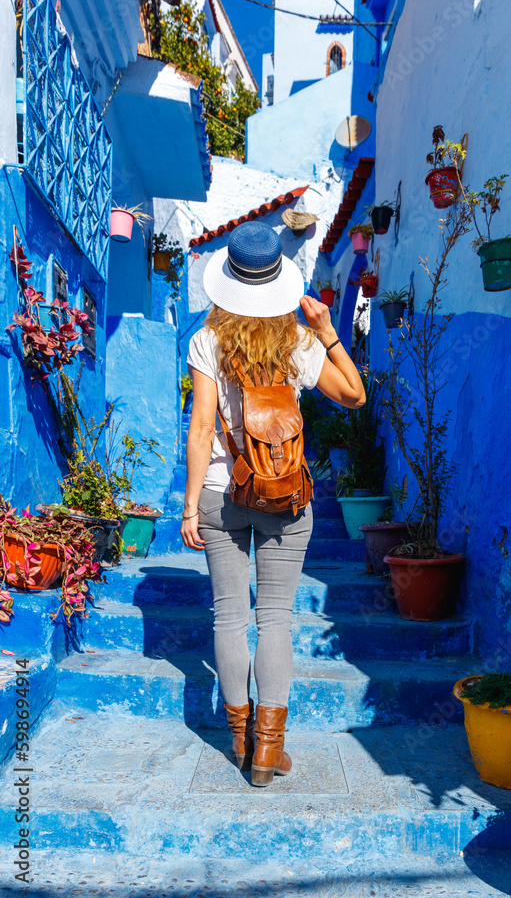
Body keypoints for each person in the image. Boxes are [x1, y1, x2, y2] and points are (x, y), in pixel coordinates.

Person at [181, 222, 365, 786]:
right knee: (277, 619)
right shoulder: (299, 343)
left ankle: (239, 741)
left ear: (229, 281)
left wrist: (189, 507)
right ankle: (269, 751)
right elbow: (354, 395)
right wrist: (329, 331)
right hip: (286, 495)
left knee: (229, 617)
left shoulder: (206, 341)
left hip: (220, 493)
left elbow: (201, 425)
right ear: (276, 281)